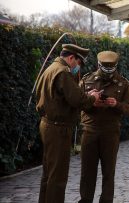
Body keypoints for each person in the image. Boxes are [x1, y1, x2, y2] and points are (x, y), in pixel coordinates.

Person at [36, 44, 102, 203]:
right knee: (58, 177)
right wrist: (93, 98)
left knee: (48, 174)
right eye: (78, 63)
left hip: (47, 124)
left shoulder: (51, 68)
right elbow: (76, 100)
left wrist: (85, 94)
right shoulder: (63, 72)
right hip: (58, 129)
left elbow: (62, 96)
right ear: (72, 58)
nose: (78, 68)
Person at [78, 51, 129, 203]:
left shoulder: (123, 83)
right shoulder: (86, 80)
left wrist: (117, 104)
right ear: (99, 65)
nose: (108, 73)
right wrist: (91, 100)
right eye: (105, 69)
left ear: (116, 66)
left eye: (111, 69)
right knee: (87, 172)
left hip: (110, 133)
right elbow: (76, 104)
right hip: (89, 131)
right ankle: (85, 200)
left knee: (108, 172)